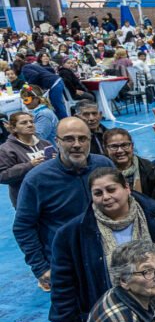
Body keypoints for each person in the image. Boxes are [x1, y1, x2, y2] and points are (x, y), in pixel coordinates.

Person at [50, 168, 155, 322]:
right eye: (98, 193)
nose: (106, 197)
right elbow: (62, 280)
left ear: (127, 188)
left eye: (111, 189)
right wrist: (66, 321)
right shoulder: (72, 232)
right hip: (108, 316)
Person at [13, 117, 113, 292]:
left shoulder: (104, 165)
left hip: (107, 258)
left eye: (82, 139)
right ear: (56, 142)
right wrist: (41, 268)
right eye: (68, 139)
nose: (76, 144)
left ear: (90, 140)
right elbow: (23, 227)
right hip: (67, 266)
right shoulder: (37, 180)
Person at [0, 112, 52, 207]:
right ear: (13, 128)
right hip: (27, 202)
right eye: (24, 123)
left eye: (31, 122)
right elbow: (2, 176)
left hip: (52, 196)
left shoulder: (46, 144)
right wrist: (29, 165)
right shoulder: (6, 149)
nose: (29, 125)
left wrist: (58, 161)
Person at [103, 127, 155, 195]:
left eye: (124, 145)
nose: (120, 150)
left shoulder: (149, 168)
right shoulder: (100, 173)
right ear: (105, 149)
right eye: (114, 146)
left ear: (132, 146)